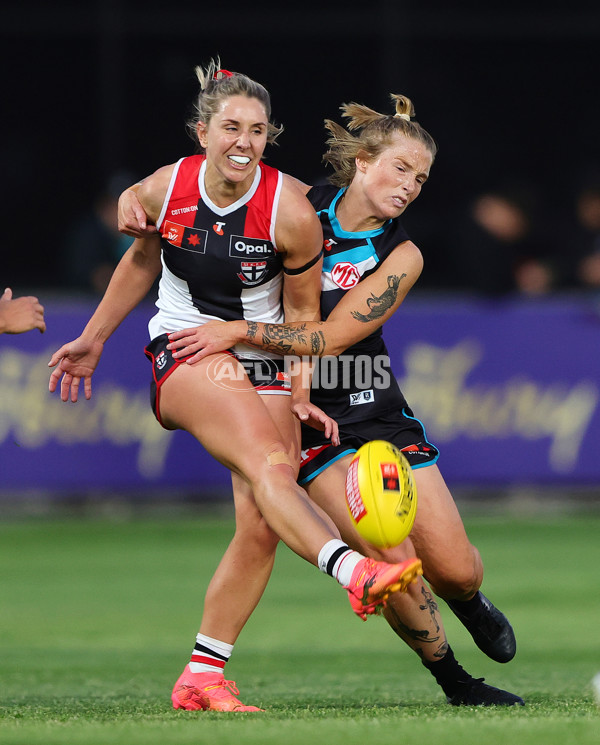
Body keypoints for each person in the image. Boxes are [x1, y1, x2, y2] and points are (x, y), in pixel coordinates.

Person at [119, 92, 523, 708]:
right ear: (362, 163)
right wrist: (134, 198)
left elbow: (331, 337)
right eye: (400, 169)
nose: (410, 186)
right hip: (302, 412)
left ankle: (468, 601)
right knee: (391, 551)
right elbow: (206, 198)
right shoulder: (293, 205)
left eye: (421, 178)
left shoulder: (401, 257)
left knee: (458, 568)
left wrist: (239, 331)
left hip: (373, 404)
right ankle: (456, 682)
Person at [47, 61, 424, 711]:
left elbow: (303, 315)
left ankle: (202, 675)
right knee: (269, 463)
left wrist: (302, 387)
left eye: (256, 129)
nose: (243, 141)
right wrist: (96, 337)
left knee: (259, 521)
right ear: (203, 131)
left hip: (264, 356)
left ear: (268, 136)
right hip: (189, 348)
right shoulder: (168, 186)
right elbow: (141, 255)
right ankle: (355, 572)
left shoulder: (291, 212)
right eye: (230, 127)